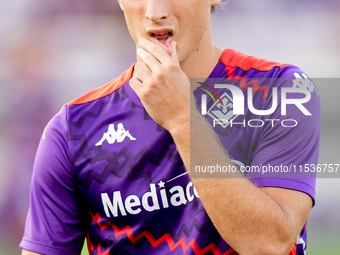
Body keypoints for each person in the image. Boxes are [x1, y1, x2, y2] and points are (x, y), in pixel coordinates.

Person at [20, 0, 320, 254]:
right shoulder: (73, 129)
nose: (155, 12)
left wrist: (181, 117)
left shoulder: (278, 91)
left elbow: (270, 242)